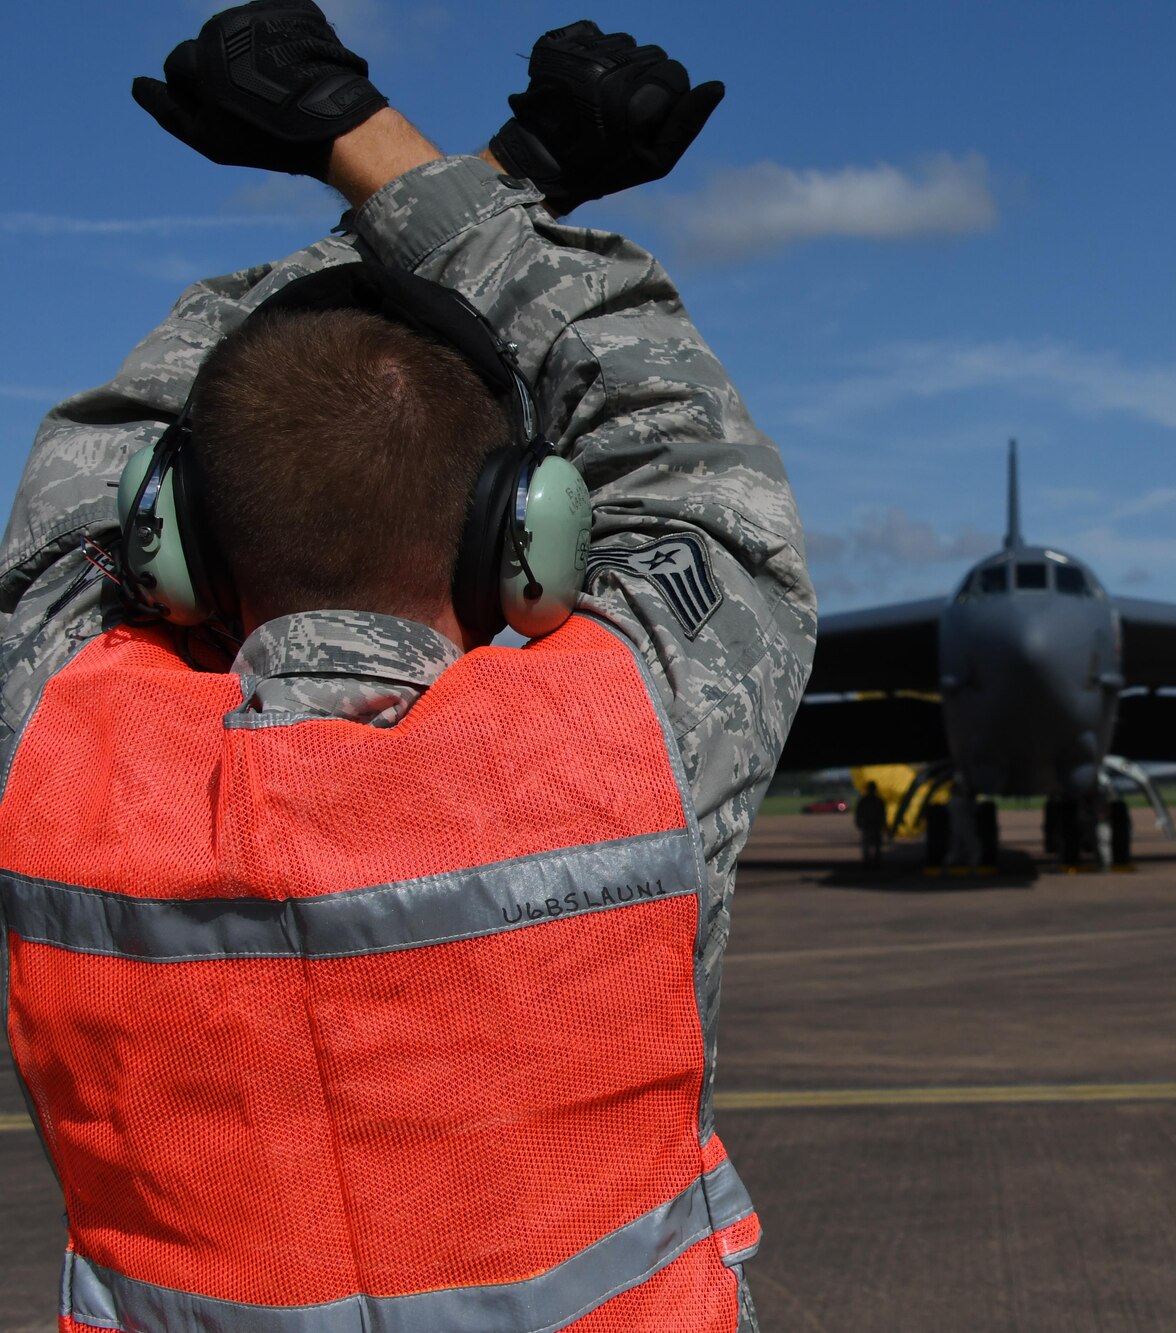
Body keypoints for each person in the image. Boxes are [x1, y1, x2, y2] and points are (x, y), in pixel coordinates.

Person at [0, 6, 812, 1331]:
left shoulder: (57, 763)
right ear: (526, 534)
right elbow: (685, 448)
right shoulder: (622, 742)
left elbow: (97, 483)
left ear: (183, 543)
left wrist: (375, 157)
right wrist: (429, 170)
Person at [855, 781, 888, 866]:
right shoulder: (878, 801)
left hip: (871, 826)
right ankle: (872, 862)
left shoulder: (865, 801)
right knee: (874, 846)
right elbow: (883, 814)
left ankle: (870, 862)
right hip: (871, 826)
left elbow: (859, 813)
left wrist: (858, 822)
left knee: (870, 846)